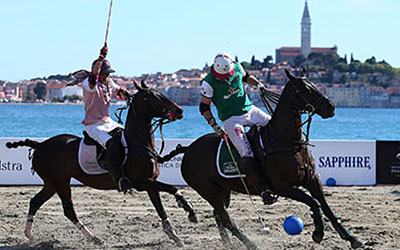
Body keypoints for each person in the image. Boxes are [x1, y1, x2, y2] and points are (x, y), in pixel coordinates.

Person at [199, 52, 276, 205]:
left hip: (250, 110)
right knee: (245, 151)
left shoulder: (238, 68)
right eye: (222, 77)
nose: (226, 79)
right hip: (231, 119)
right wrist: (214, 125)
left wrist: (258, 84)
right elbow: (204, 107)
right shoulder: (208, 83)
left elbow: (246, 77)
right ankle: (262, 189)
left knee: (274, 127)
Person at [81, 45, 131, 193]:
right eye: (104, 74)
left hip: (108, 122)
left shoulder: (108, 82)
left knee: (128, 137)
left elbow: (119, 91)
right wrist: (101, 57)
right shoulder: (89, 84)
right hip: (93, 125)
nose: (107, 76)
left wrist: (127, 95)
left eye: (108, 74)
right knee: (112, 145)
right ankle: (119, 178)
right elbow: (93, 77)